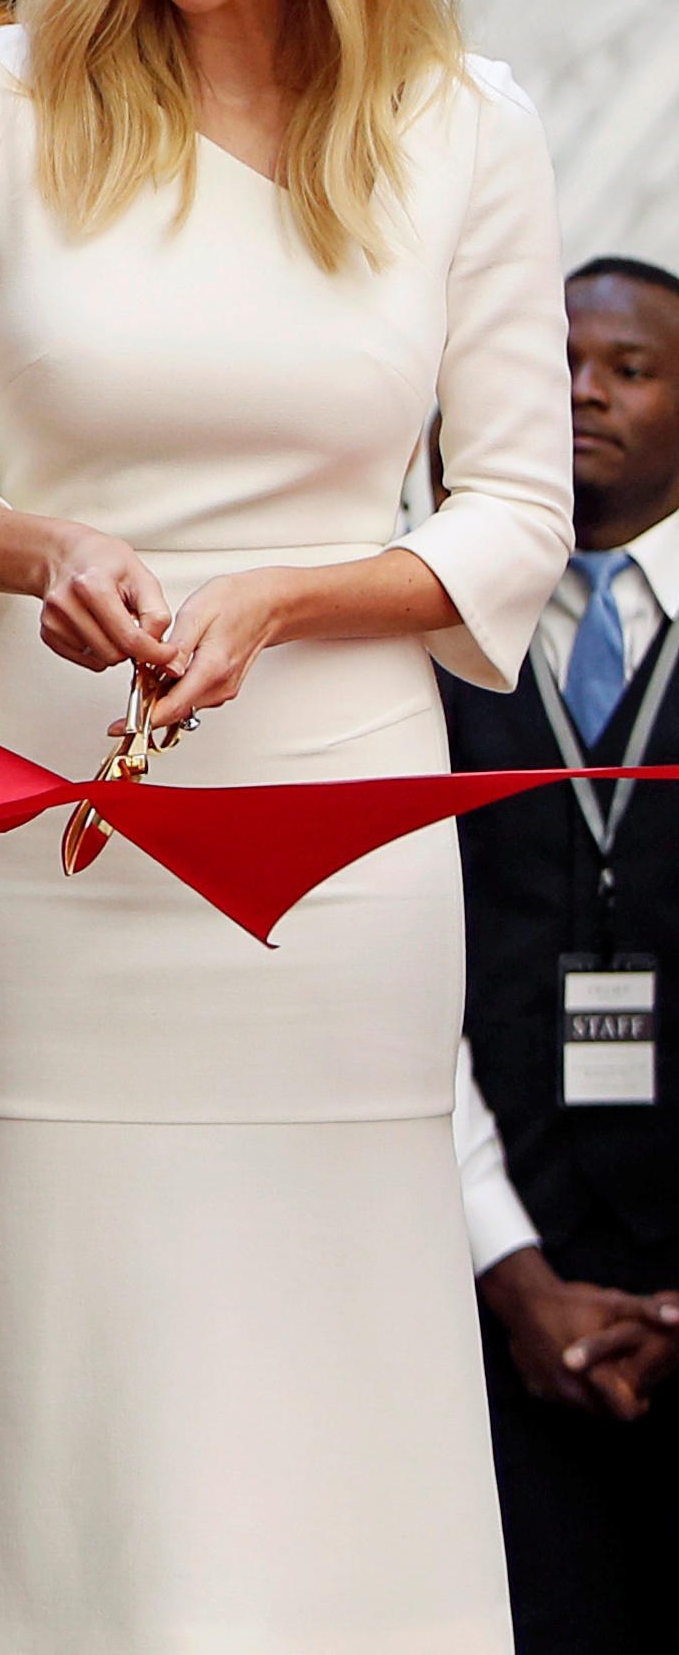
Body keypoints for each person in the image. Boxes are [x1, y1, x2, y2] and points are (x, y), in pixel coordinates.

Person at [0, 0, 568, 1655]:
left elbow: (519, 512)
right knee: (62, 1373)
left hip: (335, 858)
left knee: (329, 1373)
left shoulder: (462, 124)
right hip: (53, 850)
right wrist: (36, 543)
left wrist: (286, 597)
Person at [446, 254, 679, 1652]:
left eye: (629, 368)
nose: (582, 391)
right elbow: (388, 978)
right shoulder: (434, 635)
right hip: (481, 1268)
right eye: (557, 365)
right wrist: (510, 1272)